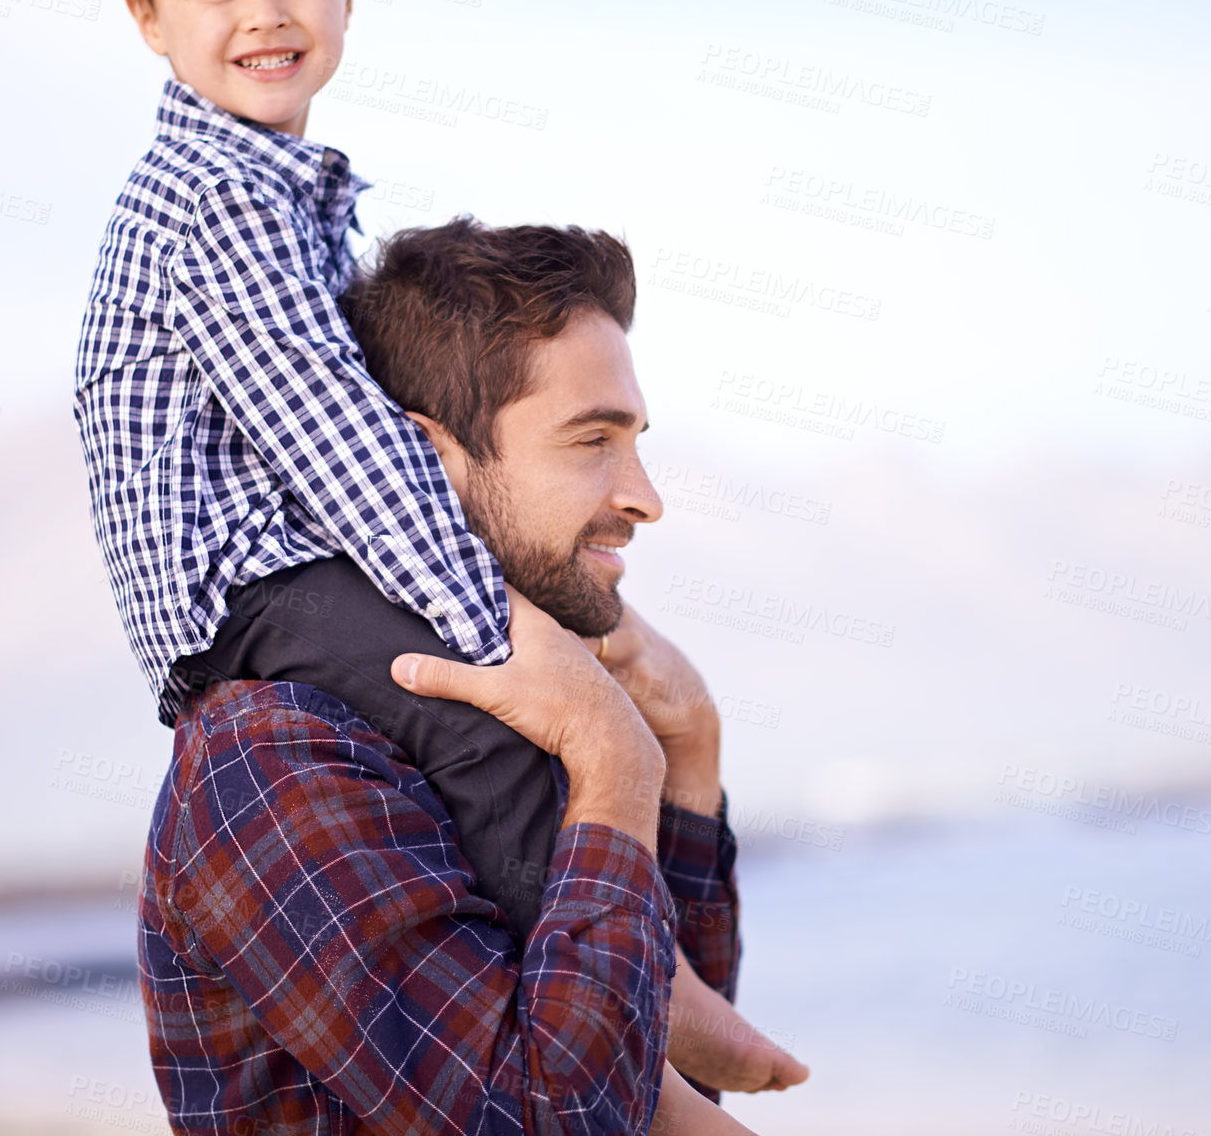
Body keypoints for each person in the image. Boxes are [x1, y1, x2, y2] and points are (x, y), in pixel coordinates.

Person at [138, 220, 795, 1130]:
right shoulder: (278, 760)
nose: (646, 496)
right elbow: (559, 1118)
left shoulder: (525, 712)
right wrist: (616, 761)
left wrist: (685, 745)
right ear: (421, 459)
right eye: (591, 441)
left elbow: (656, 1074)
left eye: (635, 440)